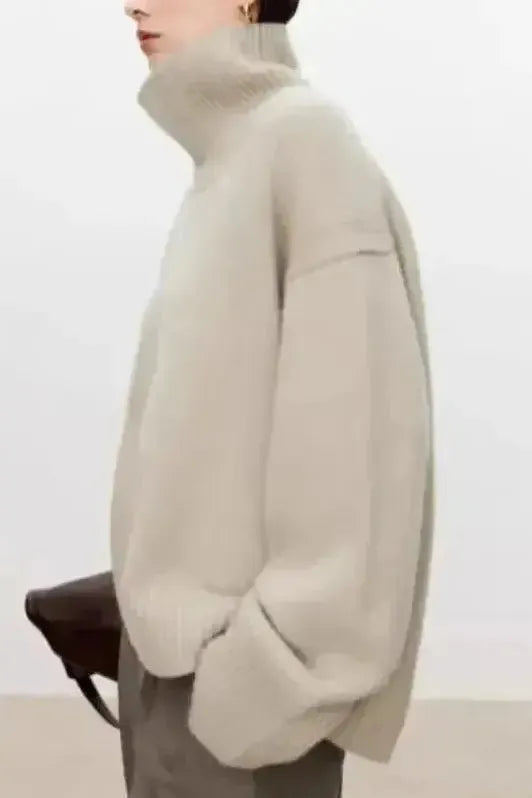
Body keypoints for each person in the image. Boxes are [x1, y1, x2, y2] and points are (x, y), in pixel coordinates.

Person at [110, 0, 435, 796]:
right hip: (173, 679)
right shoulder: (230, 160)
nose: (133, 3)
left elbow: (360, 450)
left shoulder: (304, 143)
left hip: (246, 716)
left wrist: (265, 682)